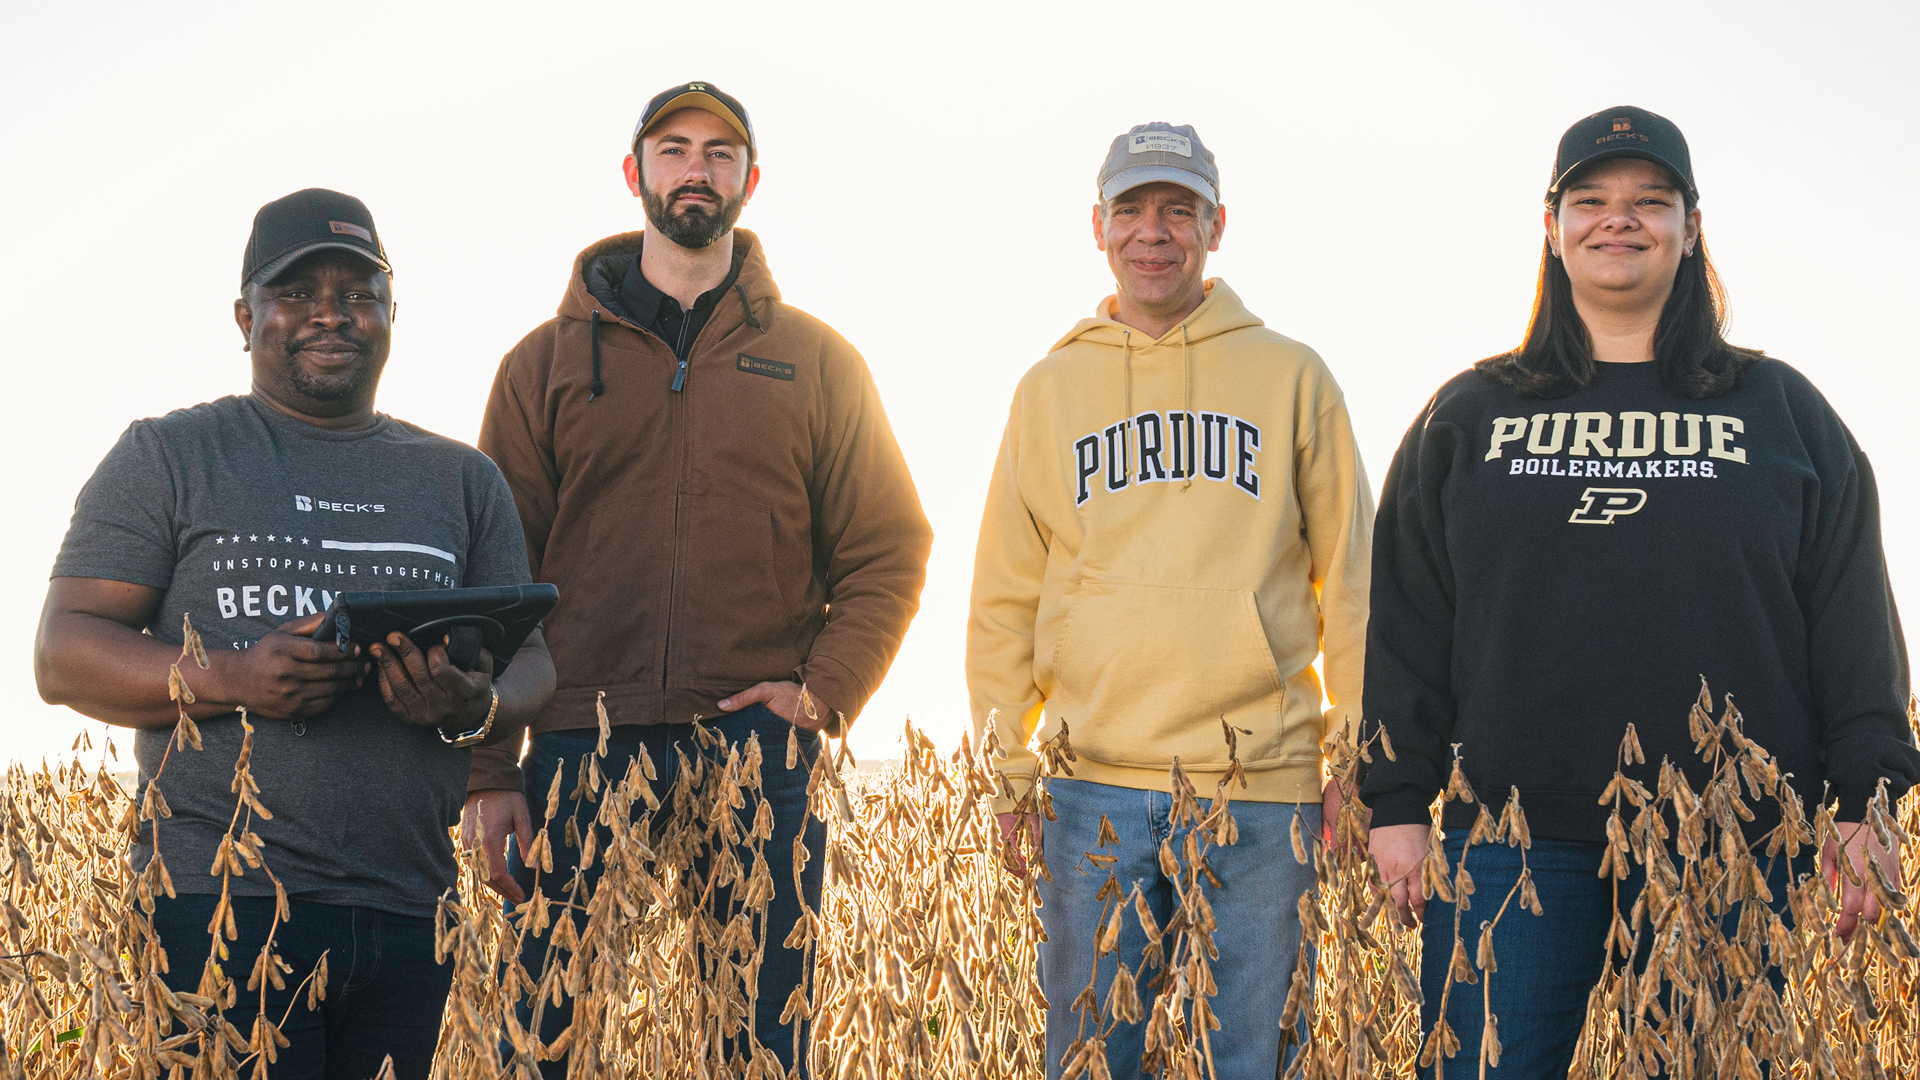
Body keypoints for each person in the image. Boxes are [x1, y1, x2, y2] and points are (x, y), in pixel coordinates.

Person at [1359, 106, 1920, 1074]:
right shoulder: (1473, 411)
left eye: (1648, 203)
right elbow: (1408, 615)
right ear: (1552, 226)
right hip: (1510, 836)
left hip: (1732, 842)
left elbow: (1851, 613)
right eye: (1592, 201)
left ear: (1690, 229)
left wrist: (1868, 798)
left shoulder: (1778, 408)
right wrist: (1396, 798)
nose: (1619, 221)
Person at [463, 81, 931, 1074]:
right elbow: (493, 578)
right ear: (636, 175)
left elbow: (889, 545)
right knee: (546, 1046)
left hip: (755, 747)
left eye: (720, 154)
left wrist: (822, 691)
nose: (696, 169)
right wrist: (492, 770)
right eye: (674, 150)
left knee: (760, 1045)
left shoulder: (816, 362)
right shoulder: (541, 366)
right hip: (578, 747)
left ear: (749, 183)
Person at [34, 188, 556, 1078]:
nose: (330, 313)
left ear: (392, 314)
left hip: (407, 907)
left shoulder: (462, 481)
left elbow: (534, 660)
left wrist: (477, 705)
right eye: (297, 291)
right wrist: (234, 678)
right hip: (218, 905)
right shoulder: (169, 455)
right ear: (245, 317)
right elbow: (63, 653)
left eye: (358, 293)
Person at [967, 122, 1372, 1079]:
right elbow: (1003, 596)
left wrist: (1353, 759)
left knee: (1256, 1060)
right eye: (1133, 210)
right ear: (1098, 227)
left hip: (1263, 791)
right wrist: (1005, 764)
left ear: (1216, 225)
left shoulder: (1292, 377)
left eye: (1178, 210)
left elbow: (1354, 582)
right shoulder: (1050, 388)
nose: (1154, 232)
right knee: (1091, 1061)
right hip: (1090, 790)